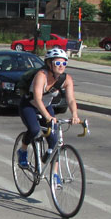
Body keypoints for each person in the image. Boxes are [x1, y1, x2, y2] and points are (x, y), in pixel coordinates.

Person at [16, 47, 81, 186]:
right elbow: (38, 99)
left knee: (54, 141)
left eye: (64, 64)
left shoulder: (66, 79)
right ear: (49, 64)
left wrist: (74, 114)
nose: (61, 67)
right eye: (58, 63)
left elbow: (71, 100)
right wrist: (47, 116)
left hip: (46, 107)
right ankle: (22, 151)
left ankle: (54, 174)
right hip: (29, 105)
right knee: (33, 130)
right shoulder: (41, 75)